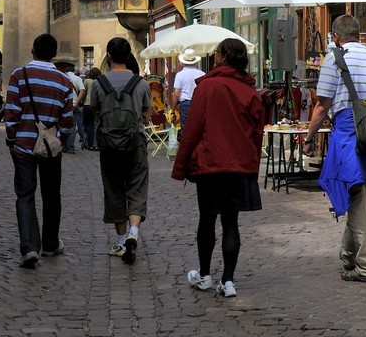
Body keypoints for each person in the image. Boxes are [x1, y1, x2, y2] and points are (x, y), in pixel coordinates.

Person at [172, 37, 265, 298]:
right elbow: (257, 133)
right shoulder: (249, 91)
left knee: (207, 219)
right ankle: (228, 280)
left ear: (222, 56)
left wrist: (182, 165)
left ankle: (204, 275)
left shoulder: (208, 86)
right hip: (238, 164)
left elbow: (192, 129)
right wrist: (252, 165)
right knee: (231, 222)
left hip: (210, 162)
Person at [307, 13, 366, 283]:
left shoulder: (333, 58)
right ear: (358, 34)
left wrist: (309, 137)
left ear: (336, 36)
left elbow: (322, 104)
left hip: (348, 132)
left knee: (356, 195)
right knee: (359, 194)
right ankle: (347, 256)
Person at [2, 34, 76, 269]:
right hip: (50, 147)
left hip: (23, 145)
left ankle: (29, 248)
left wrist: (12, 139)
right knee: (52, 195)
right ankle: (50, 243)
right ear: (54, 54)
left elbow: (11, 111)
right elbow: (67, 119)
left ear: (33, 50)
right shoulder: (64, 81)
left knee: (25, 195)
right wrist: (58, 140)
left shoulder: (19, 75)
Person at [95, 36, 150, 264]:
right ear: (128, 56)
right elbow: (146, 114)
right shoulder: (141, 83)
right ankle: (133, 233)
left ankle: (119, 241)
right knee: (137, 186)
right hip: (135, 141)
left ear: (108, 56)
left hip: (109, 144)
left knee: (114, 188)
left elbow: (95, 112)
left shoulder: (99, 83)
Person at [171, 49, 204, 130]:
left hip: (186, 105)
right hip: (199, 103)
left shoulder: (180, 75)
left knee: (186, 129)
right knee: (198, 128)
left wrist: (173, 110)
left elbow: (176, 94)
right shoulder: (202, 74)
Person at [59, 62, 84, 152]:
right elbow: (82, 90)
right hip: (74, 104)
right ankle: (70, 147)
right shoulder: (78, 78)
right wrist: (77, 102)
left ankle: (63, 145)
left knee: (63, 123)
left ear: (66, 71)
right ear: (74, 71)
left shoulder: (62, 77)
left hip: (64, 104)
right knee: (72, 125)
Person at [80, 67, 100, 151]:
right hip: (97, 105)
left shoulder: (87, 81)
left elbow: (83, 93)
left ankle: (90, 144)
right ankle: (96, 144)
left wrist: (82, 101)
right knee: (96, 125)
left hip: (88, 105)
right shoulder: (99, 81)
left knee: (89, 125)